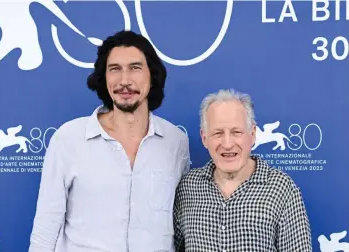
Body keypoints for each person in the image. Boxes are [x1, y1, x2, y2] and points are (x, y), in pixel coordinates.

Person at [29, 30, 190, 252]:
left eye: (135, 68)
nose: (125, 80)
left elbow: (181, 224)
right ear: (104, 78)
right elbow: (46, 227)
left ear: (152, 76)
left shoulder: (176, 142)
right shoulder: (68, 139)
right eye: (115, 69)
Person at [173, 89, 312, 252]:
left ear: (252, 134)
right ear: (204, 138)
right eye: (218, 133)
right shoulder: (187, 188)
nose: (227, 143)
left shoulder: (282, 189)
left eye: (236, 132)